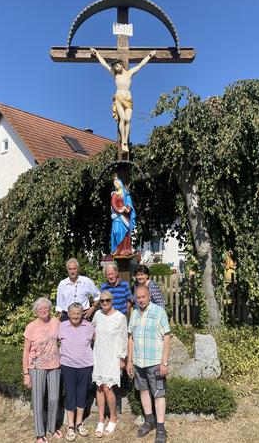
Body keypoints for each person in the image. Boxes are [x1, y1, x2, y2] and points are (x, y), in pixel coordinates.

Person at [127, 285, 171, 443]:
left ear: (149, 296)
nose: (141, 300)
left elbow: (167, 337)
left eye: (143, 297)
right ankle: (149, 421)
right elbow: (130, 337)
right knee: (143, 391)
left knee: (159, 394)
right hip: (139, 362)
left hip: (155, 363)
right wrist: (130, 361)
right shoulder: (134, 314)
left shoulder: (159, 312)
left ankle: (161, 428)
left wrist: (164, 362)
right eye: (138, 298)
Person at [91, 48, 157, 151]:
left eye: (118, 65)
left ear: (121, 64)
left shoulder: (129, 73)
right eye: (115, 67)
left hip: (128, 98)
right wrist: (97, 54)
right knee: (123, 119)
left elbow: (141, 65)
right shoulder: (115, 75)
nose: (117, 68)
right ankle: (124, 142)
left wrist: (149, 56)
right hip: (119, 97)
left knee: (128, 120)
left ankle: (125, 139)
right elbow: (104, 64)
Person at [23, 297, 63, 443]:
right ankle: (40, 433)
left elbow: (65, 337)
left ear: (50, 309)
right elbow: (26, 351)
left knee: (54, 398)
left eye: (46, 308)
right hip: (36, 367)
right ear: (36, 311)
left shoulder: (56, 322)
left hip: (54, 365)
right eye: (40, 309)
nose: (44, 311)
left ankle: (52, 428)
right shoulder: (31, 326)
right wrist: (26, 373)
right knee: (38, 400)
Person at [91, 290, 128, 437]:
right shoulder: (97, 315)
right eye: (102, 301)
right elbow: (92, 331)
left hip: (113, 357)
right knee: (99, 387)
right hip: (99, 355)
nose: (105, 303)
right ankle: (101, 419)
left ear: (112, 301)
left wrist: (122, 358)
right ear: (99, 302)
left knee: (108, 388)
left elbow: (124, 339)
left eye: (107, 300)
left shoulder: (120, 317)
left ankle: (113, 417)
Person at [57, 303, 95, 442]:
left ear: (82, 313)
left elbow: (98, 342)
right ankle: (70, 426)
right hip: (68, 366)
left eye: (78, 313)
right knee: (70, 394)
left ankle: (79, 423)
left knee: (82, 394)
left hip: (85, 366)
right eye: (73, 313)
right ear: (68, 313)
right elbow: (53, 342)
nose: (75, 316)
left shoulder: (89, 327)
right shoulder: (62, 326)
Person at [110, 176, 135, 256]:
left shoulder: (126, 194)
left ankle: (125, 249)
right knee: (116, 231)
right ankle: (118, 248)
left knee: (125, 233)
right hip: (117, 216)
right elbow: (113, 204)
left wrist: (126, 209)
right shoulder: (114, 194)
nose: (115, 185)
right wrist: (118, 210)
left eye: (116, 183)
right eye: (114, 184)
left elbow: (129, 204)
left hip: (124, 216)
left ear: (120, 184)